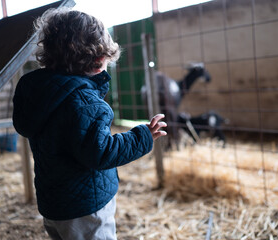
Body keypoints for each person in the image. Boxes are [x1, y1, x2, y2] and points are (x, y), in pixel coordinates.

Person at [12, 7, 167, 240]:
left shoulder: (36, 92)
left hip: (53, 204)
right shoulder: (85, 103)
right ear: (98, 61)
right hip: (86, 209)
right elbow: (102, 153)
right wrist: (142, 136)